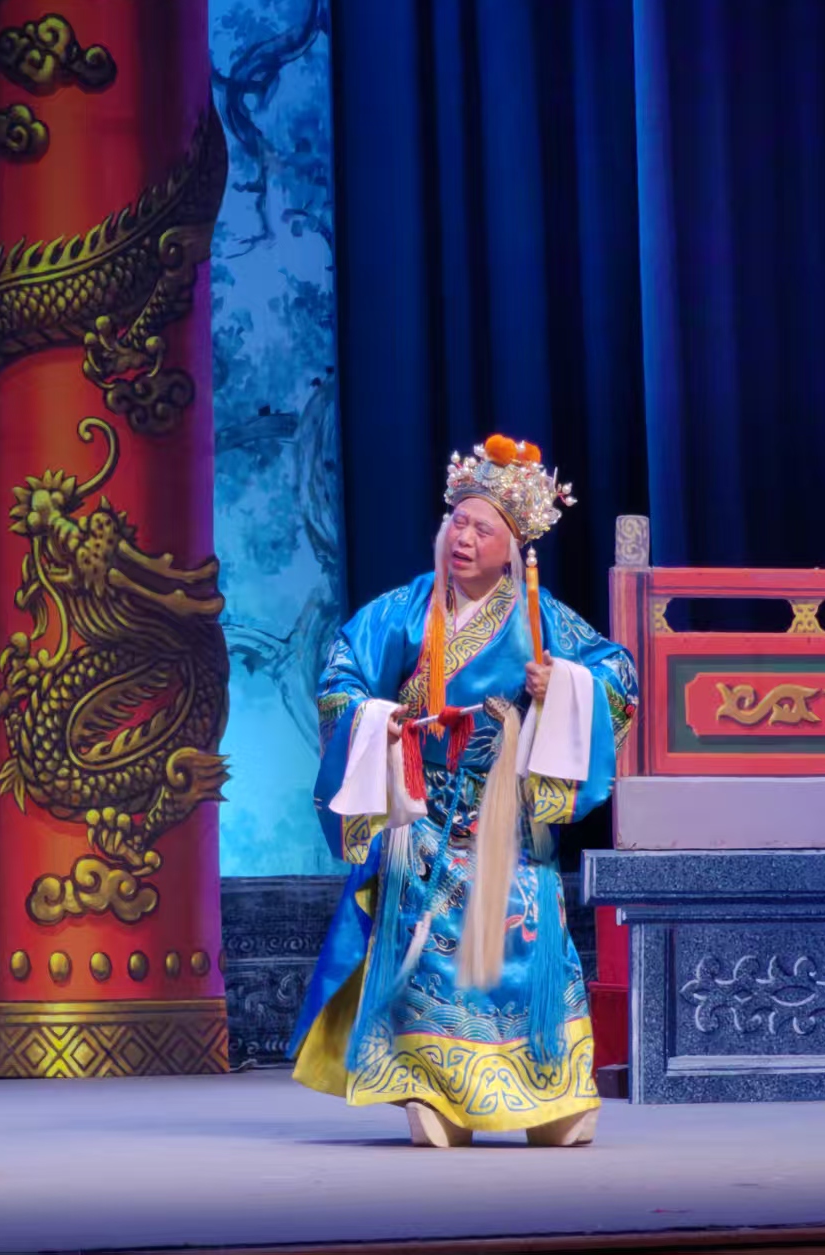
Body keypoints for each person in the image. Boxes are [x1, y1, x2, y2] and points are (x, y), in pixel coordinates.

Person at [291, 435, 637, 1148]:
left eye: (482, 529)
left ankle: (549, 1091)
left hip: (507, 820)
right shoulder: (403, 611)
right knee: (428, 947)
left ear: (512, 550)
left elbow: (619, 674)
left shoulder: (539, 617)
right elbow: (340, 676)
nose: (464, 538)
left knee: (528, 945)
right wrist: (379, 720)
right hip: (424, 818)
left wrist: (564, 686)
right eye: (458, 522)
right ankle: (436, 1089)